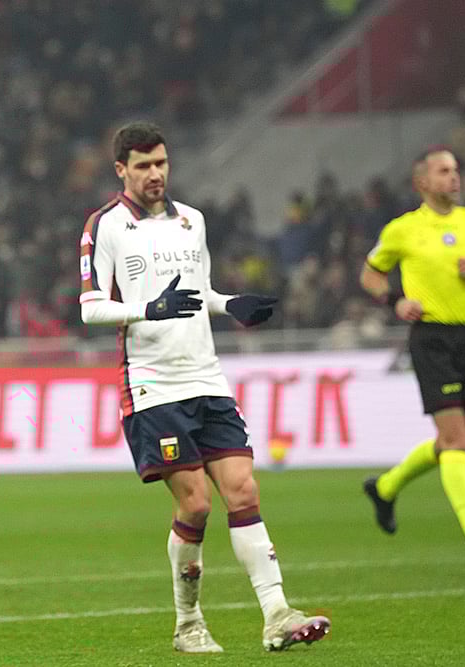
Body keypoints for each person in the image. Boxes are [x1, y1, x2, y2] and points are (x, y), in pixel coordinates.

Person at [78, 121, 330, 653]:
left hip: (206, 377)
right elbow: (90, 307)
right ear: (121, 169)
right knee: (195, 505)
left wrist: (231, 304)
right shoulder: (106, 225)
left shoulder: (193, 220)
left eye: (161, 163)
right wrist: (149, 308)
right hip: (153, 386)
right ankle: (188, 623)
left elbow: (201, 292)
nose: (155, 174)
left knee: (244, 491)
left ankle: (277, 615)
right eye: (143, 166)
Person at [360, 146, 465, 567]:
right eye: (444, 171)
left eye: (456, 170)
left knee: (453, 440)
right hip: (431, 337)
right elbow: (370, 273)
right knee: (455, 440)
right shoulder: (403, 229)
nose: (454, 177)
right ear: (423, 182)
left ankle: (386, 487)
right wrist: (395, 300)